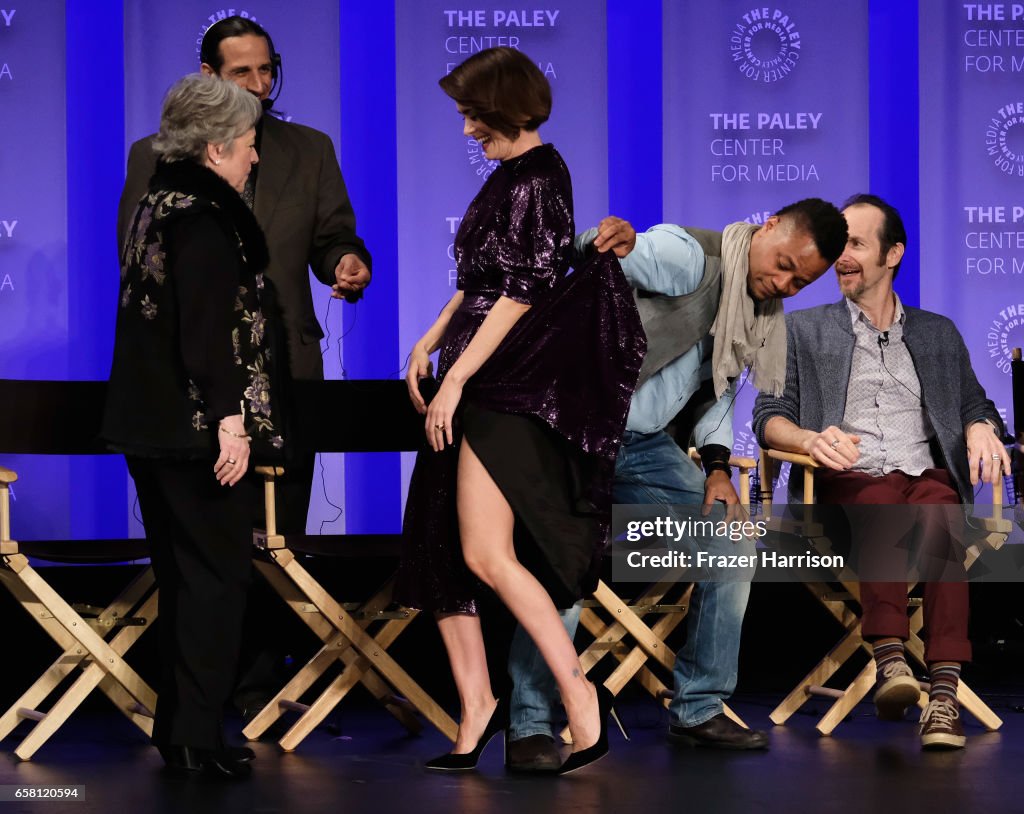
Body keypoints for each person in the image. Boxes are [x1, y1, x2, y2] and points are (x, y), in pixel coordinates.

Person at [504, 200, 849, 770]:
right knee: (564, 561)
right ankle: (531, 724)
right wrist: (607, 237)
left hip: (641, 446)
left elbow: (717, 396)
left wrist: (717, 465)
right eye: (784, 263)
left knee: (732, 543)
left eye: (799, 281)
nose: (783, 283)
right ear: (766, 228)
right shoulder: (693, 258)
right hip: (573, 434)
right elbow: (612, 250)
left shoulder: (756, 315)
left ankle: (698, 706)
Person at [397, 47, 646, 775]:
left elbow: (522, 291)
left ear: (508, 109)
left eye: (475, 114)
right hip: (472, 370)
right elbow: (478, 281)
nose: (467, 128)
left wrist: (457, 382)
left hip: (504, 382)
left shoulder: (541, 176)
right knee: (443, 551)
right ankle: (475, 713)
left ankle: (578, 695)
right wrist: (432, 337)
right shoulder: (508, 177)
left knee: (485, 554)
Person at [752, 193, 1007, 750]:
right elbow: (769, 417)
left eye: (856, 245)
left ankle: (942, 695)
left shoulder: (938, 333)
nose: (841, 256)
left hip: (924, 479)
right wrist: (810, 439)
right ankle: (892, 661)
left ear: (893, 255)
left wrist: (983, 424)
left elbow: (973, 404)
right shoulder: (804, 330)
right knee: (880, 504)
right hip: (847, 487)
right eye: (838, 244)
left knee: (943, 512)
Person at [118, 15, 371, 535]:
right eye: (242, 72)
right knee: (209, 546)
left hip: (289, 370)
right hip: (195, 379)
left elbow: (333, 237)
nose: (259, 85)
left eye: (266, 69)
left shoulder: (310, 148)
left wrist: (344, 261)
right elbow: (138, 259)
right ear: (208, 74)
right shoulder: (154, 156)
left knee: (284, 537)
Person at [102, 74, 281, 778]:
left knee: (182, 581)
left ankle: (181, 730)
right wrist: (231, 423)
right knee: (214, 581)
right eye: (247, 145)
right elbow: (205, 336)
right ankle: (197, 738)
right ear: (214, 149)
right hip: (195, 429)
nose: (254, 158)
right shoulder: (204, 218)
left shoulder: (156, 201)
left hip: (149, 425)